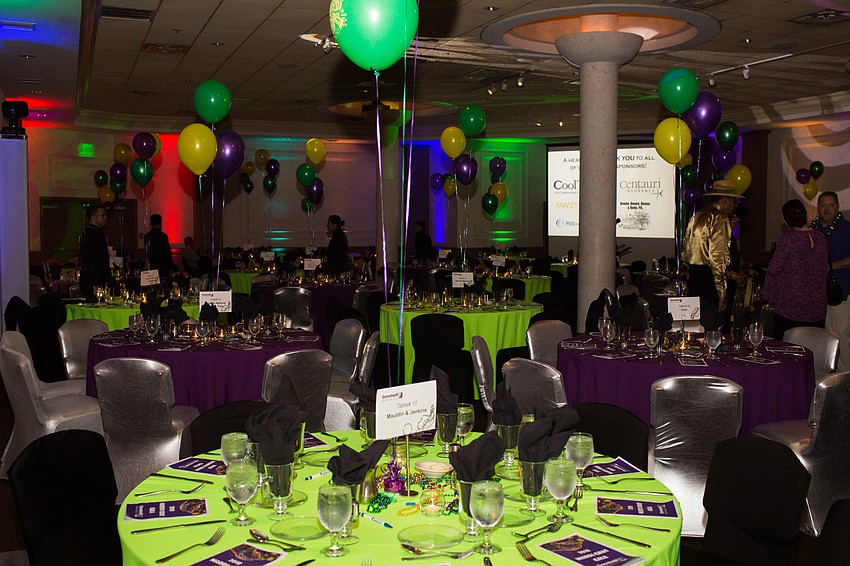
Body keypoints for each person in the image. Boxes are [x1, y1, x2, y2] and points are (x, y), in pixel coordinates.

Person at [762, 199, 828, 339]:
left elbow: (774, 269)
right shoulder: (820, 237)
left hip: (791, 306)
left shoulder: (788, 239)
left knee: (786, 351)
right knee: (813, 350)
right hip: (816, 305)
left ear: (786, 220)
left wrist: (768, 295)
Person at [680, 180, 740, 330]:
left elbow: (684, 252)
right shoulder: (720, 218)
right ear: (724, 201)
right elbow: (717, 257)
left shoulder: (697, 215)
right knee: (714, 329)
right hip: (711, 280)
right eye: (733, 201)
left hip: (695, 277)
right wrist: (722, 291)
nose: (735, 205)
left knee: (696, 327)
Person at [811, 191, 850, 370]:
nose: (826, 209)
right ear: (817, 207)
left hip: (840, 291)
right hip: (816, 293)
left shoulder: (846, 228)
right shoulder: (812, 229)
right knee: (821, 336)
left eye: (831, 205)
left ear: (837, 207)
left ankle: (844, 382)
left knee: (840, 336)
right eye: (823, 205)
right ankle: (824, 379)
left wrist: (831, 266)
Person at [78, 204, 110, 301]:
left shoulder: (88, 232)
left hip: (89, 278)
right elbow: (99, 259)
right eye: (102, 215)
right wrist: (106, 278)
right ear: (93, 217)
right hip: (94, 279)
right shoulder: (93, 234)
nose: (105, 218)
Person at [143, 213, 173, 281]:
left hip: (151, 266)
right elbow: (167, 253)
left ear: (151, 223)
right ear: (160, 223)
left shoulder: (146, 236)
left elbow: (147, 252)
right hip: (163, 267)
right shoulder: (163, 236)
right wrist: (170, 267)